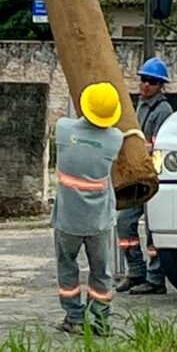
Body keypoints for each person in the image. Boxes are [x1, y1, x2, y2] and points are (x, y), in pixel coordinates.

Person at [52, 81, 124, 336]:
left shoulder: (63, 129)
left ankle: (74, 318)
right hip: (99, 221)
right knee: (101, 272)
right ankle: (102, 322)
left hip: (67, 220)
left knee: (67, 266)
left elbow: (71, 124)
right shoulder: (115, 139)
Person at [115, 57, 174, 295]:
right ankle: (136, 271)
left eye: (151, 82)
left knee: (153, 230)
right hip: (136, 175)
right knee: (125, 222)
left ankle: (155, 278)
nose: (145, 85)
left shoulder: (163, 110)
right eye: (143, 80)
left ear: (160, 86)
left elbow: (161, 145)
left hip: (153, 175)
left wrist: (144, 152)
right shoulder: (139, 106)